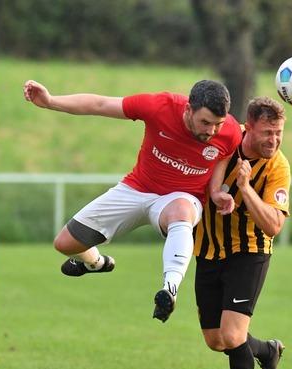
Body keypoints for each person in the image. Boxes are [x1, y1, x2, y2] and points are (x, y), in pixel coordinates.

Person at [23, 79, 242, 322]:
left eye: (217, 125)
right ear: (188, 109)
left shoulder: (231, 132)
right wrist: (51, 101)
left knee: (181, 210)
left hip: (181, 199)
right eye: (205, 122)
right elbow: (100, 104)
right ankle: (96, 263)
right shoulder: (160, 106)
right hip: (137, 188)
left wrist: (215, 193)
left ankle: (170, 289)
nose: (211, 131)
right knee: (65, 244)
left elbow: (223, 157)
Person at [193, 97, 290, 369]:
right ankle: (267, 350)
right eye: (267, 132)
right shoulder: (222, 146)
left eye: (278, 133)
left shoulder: (278, 166)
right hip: (208, 250)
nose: (273, 140)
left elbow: (274, 225)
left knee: (233, 335)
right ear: (248, 129)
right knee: (215, 340)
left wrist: (246, 189)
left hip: (250, 251)